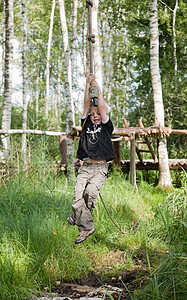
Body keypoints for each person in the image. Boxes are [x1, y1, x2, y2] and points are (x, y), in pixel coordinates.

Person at [67, 73, 115, 244]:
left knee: (90, 194)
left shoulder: (106, 126)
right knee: (77, 197)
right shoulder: (86, 123)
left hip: (100, 168)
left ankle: (78, 217)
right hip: (85, 167)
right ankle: (86, 228)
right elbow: (87, 105)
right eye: (92, 114)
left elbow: (101, 106)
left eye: (98, 114)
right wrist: (88, 84)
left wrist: (97, 88)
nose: (95, 115)